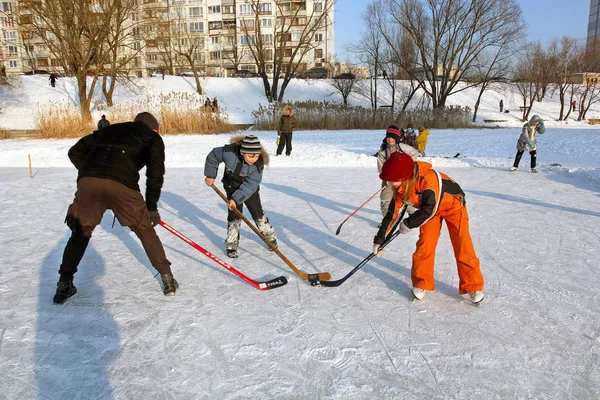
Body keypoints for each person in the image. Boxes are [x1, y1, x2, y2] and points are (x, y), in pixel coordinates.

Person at [53, 112, 178, 304]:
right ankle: (168, 279)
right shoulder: (152, 137)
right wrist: (151, 207)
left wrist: (91, 172)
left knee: (80, 231)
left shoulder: (110, 129)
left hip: (88, 182)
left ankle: (64, 284)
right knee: (145, 230)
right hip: (122, 185)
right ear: (153, 128)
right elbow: (155, 173)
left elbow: (74, 152)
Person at [373, 152, 485, 303]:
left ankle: (473, 285)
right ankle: (421, 282)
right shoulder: (400, 189)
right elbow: (391, 215)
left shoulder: (428, 179)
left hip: (454, 207)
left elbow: (428, 209)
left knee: (462, 243)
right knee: (425, 243)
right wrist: (380, 240)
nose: (389, 184)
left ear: (404, 177)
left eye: (392, 180)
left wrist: (408, 223)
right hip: (432, 212)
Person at [204, 135, 278, 258]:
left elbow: (251, 184)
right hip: (231, 186)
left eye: (256, 155)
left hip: (250, 191)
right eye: (251, 156)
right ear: (242, 152)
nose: (254, 159)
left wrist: (235, 199)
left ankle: (270, 237)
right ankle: (232, 243)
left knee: (257, 213)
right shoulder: (229, 153)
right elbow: (213, 156)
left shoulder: (258, 165)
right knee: (234, 215)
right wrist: (210, 175)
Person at [376, 125, 418, 217]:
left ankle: (414, 215)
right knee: (385, 199)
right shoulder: (383, 151)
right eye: (388, 137)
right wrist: (386, 178)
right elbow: (381, 167)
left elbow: (415, 153)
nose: (390, 140)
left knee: (406, 198)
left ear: (397, 138)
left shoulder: (402, 147)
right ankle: (387, 220)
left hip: (403, 179)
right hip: (388, 180)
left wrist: (409, 167)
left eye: (393, 137)